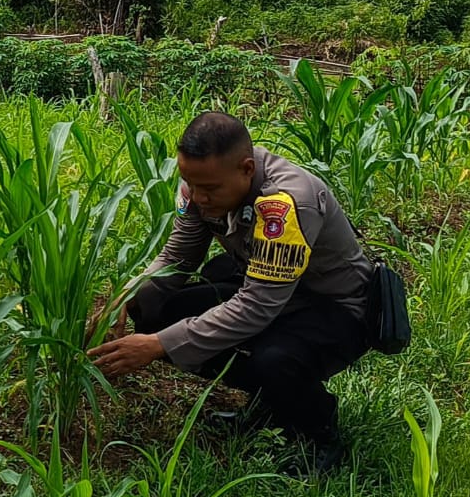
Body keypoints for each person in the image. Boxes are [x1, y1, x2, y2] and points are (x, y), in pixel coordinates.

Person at [88, 111, 374, 474]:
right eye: (190, 183)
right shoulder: (198, 186)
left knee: (272, 359)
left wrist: (158, 344)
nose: (199, 197)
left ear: (246, 169)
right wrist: (124, 297)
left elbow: (256, 308)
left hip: (336, 308)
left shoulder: (286, 205)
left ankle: (317, 431)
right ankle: (269, 402)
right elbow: (177, 256)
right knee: (158, 306)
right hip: (271, 291)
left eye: (210, 189)